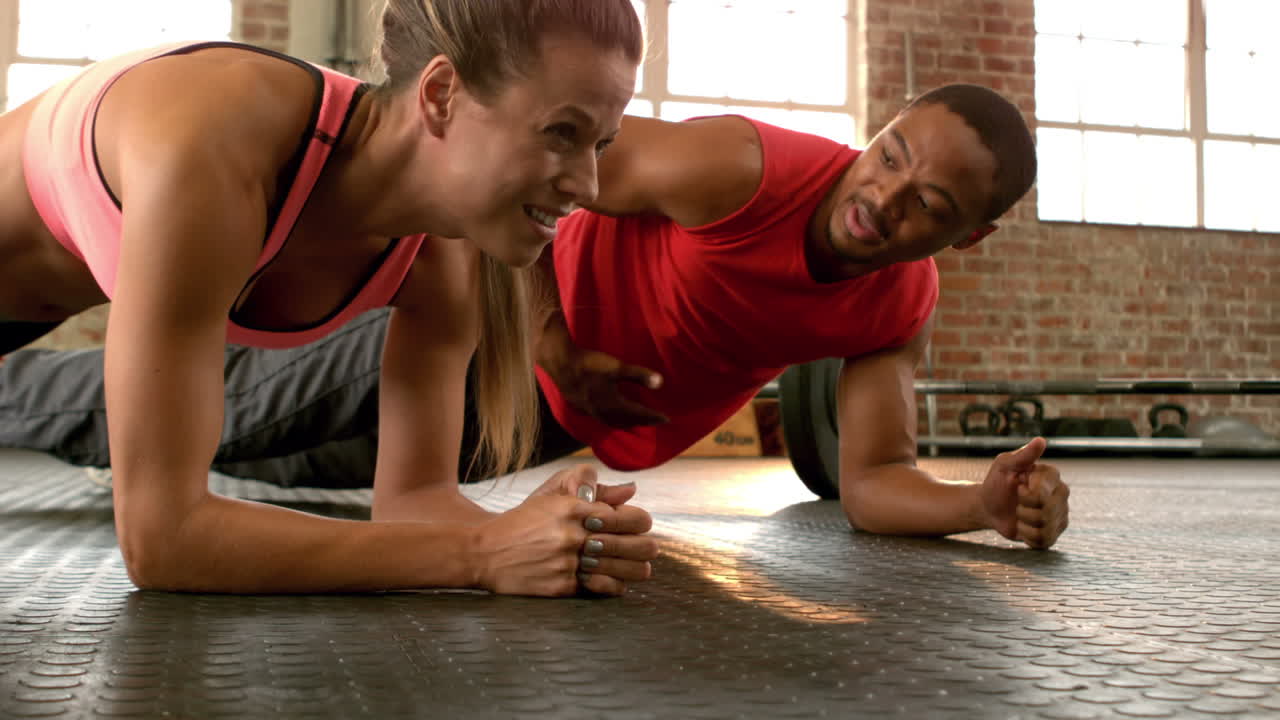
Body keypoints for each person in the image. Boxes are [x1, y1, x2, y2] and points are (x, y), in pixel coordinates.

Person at [2, 83, 1070, 554]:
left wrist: (976, 501)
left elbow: (872, 481)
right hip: (488, 326)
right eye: (890, 154)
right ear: (875, 133)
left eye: (929, 203)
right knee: (200, 425)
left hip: (546, 424)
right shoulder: (738, 168)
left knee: (267, 474)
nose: (884, 196)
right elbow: (530, 176)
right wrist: (550, 335)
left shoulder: (897, 302)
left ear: (962, 237)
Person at [0, 0, 661, 596]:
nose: (590, 186)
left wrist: (546, 535)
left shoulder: (446, 259)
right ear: (440, 95)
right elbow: (163, 540)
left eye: (601, 145)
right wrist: (481, 552)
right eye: (560, 133)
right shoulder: (219, 145)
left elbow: (414, 506)